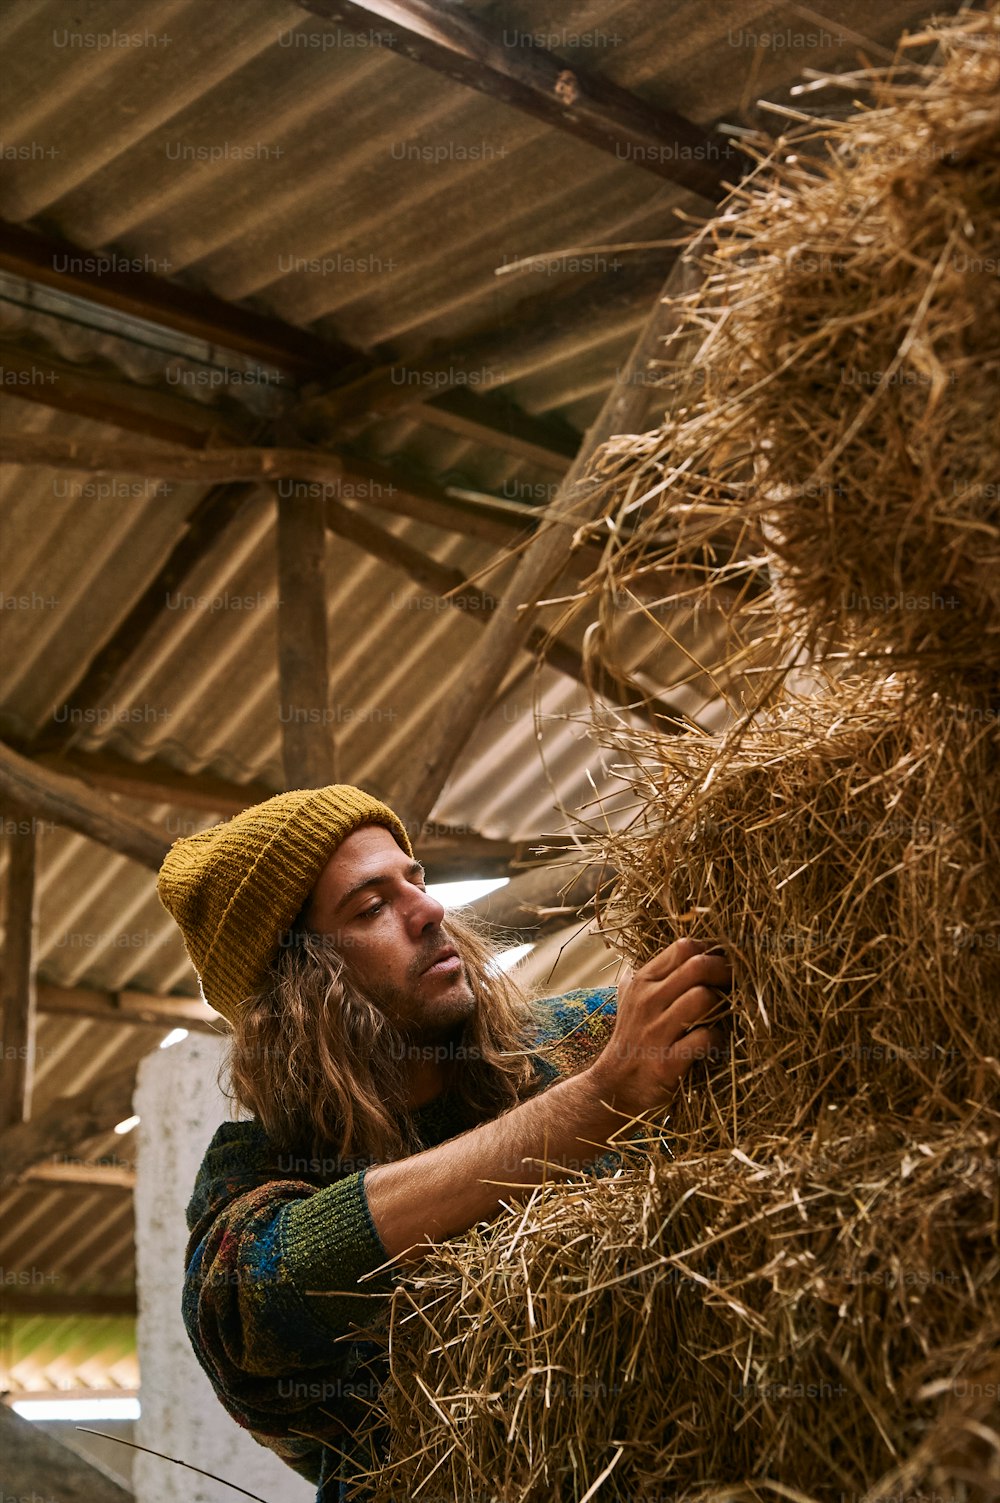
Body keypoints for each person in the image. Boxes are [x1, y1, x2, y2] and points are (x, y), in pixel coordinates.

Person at [157, 783, 729, 1500]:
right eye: (371, 907)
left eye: (416, 879)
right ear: (300, 983)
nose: (429, 911)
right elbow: (250, 1307)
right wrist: (596, 1104)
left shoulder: (583, 1039)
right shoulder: (255, 1169)